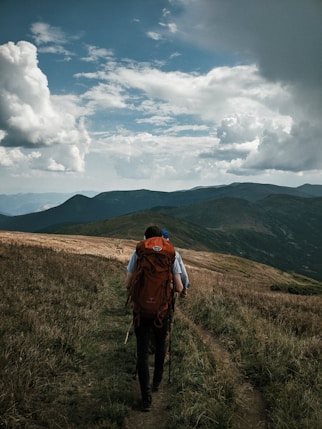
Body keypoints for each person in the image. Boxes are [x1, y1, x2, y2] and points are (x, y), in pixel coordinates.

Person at [125, 225, 183, 412]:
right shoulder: (169, 254)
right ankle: (157, 381)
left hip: (141, 311)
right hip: (162, 311)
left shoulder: (139, 253)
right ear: (161, 238)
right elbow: (179, 288)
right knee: (160, 345)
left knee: (142, 351)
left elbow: (127, 283)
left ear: (146, 238)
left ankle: (146, 396)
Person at [161, 228, 191, 297]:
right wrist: (185, 288)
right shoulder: (174, 254)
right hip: (166, 290)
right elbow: (183, 274)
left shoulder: (143, 252)